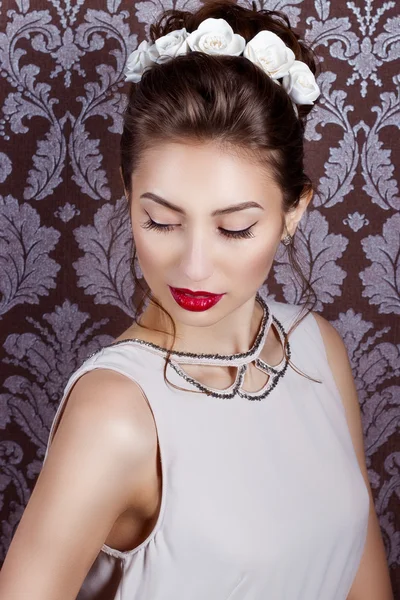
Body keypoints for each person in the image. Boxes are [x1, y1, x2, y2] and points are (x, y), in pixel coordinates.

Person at [0, 1, 394, 599]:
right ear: (129, 196)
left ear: (295, 213)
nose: (193, 266)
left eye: (235, 228)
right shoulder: (115, 413)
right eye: (160, 221)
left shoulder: (318, 351)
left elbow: (365, 583)